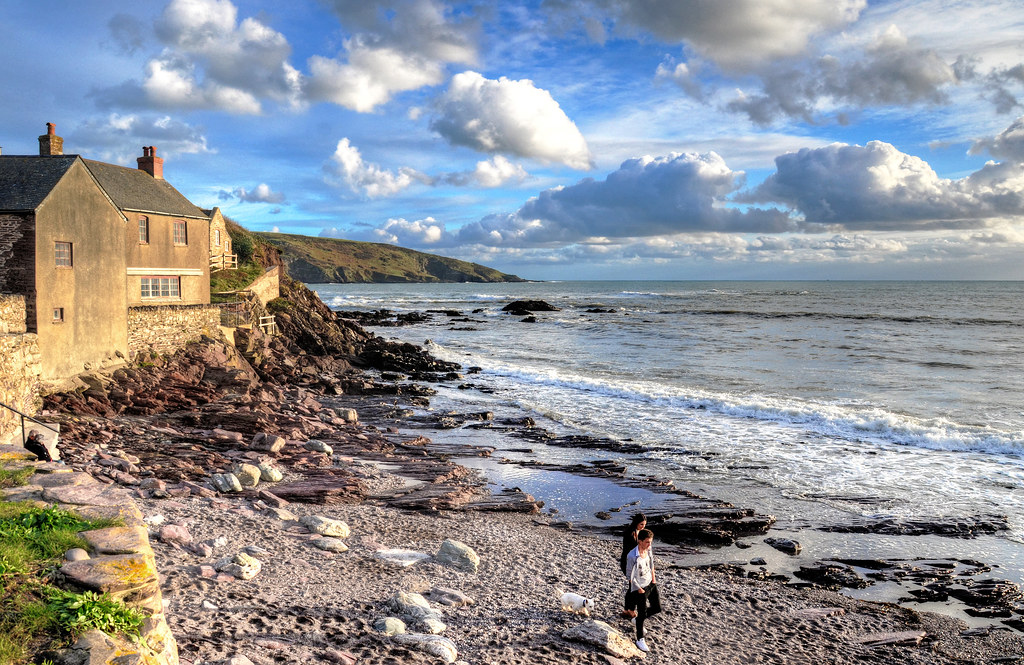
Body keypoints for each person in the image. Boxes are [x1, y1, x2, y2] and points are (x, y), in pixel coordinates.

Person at [625, 528, 662, 653]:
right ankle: (640, 639)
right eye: (647, 542)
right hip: (639, 588)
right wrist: (639, 589)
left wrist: (654, 579)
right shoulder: (632, 556)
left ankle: (636, 620)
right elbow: (629, 576)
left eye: (651, 542)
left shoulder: (649, 549)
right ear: (639, 541)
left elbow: (651, 564)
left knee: (657, 608)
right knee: (642, 613)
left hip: (651, 583)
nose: (649, 544)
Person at [619, 513, 647, 617]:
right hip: (628, 562)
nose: (643, 526)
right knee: (634, 585)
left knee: (633, 585)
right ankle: (630, 609)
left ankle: (627, 609)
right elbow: (630, 549)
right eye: (641, 524)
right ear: (636, 523)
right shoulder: (629, 533)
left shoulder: (639, 532)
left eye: (644, 524)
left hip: (635, 562)